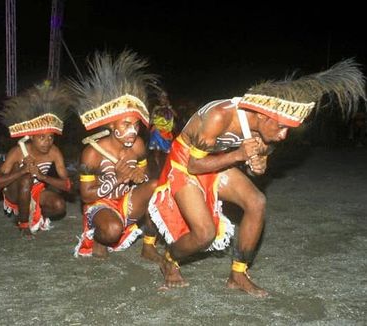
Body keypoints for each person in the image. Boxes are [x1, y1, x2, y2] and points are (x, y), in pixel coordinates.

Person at [148, 59, 366, 296]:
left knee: (256, 201)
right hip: (185, 164)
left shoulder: (266, 129)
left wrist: (257, 165)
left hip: (217, 161)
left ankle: (238, 274)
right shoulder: (219, 116)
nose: (283, 136)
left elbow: (257, 162)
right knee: (205, 234)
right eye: (282, 128)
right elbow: (194, 165)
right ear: (263, 116)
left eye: (287, 130)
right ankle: (169, 259)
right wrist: (240, 155)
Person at [70, 50, 162, 261]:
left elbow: (143, 174)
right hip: (100, 206)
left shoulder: (138, 145)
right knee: (111, 230)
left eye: (137, 125)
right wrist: (119, 178)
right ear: (112, 125)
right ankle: (99, 239)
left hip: (127, 201)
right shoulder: (91, 153)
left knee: (157, 186)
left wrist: (141, 177)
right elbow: (85, 196)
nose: (133, 131)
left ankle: (149, 246)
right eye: (126, 124)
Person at [0, 83, 72, 239]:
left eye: (51, 137)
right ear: (31, 136)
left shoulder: (54, 152)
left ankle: (34, 213)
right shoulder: (18, 151)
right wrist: (22, 171)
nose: (47, 142)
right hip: (15, 191)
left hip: (37, 190)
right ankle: (24, 225)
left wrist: (42, 177)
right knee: (25, 180)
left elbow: (67, 185)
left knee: (59, 206)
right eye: (42, 137)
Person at [148, 90, 178, 175]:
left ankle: (168, 168)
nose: (163, 99)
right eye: (161, 97)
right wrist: (154, 111)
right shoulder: (156, 108)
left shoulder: (169, 107)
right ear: (159, 98)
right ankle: (158, 168)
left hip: (167, 133)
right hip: (156, 132)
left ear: (166, 98)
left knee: (167, 152)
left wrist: (169, 107)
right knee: (156, 152)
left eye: (164, 97)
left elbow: (176, 116)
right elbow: (150, 121)